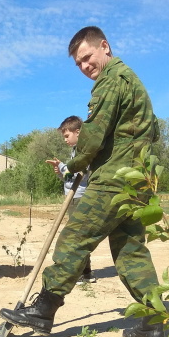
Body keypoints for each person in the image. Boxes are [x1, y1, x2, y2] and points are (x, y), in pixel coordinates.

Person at [0, 26, 166, 337]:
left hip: (113, 182)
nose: (85, 67)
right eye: (79, 64)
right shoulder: (135, 83)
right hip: (138, 181)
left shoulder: (110, 81)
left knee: (75, 238)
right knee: (131, 251)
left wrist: (74, 164)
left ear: (104, 46)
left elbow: (91, 137)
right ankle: (155, 323)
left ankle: (44, 309)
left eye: (87, 58)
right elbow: (154, 131)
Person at [45, 115, 94, 284]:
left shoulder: (83, 150)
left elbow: (80, 171)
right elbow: (70, 179)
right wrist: (61, 172)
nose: (65, 139)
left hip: (80, 197)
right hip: (73, 196)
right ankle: (86, 272)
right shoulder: (75, 151)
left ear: (78, 132)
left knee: (76, 236)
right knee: (79, 235)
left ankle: (80, 272)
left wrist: (63, 167)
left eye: (67, 136)